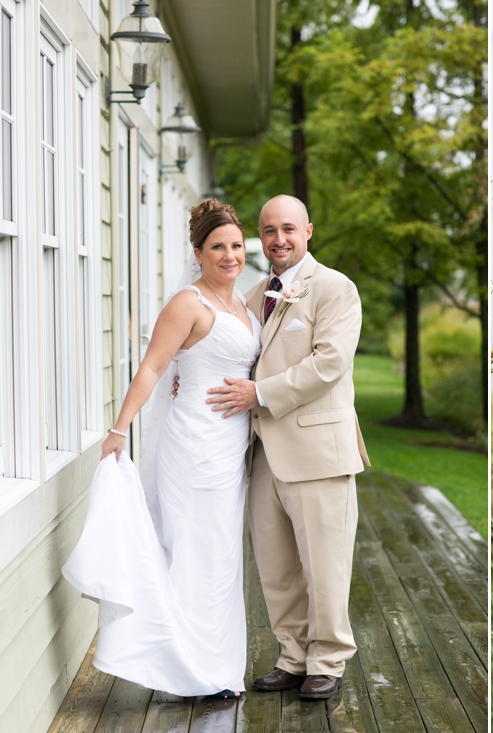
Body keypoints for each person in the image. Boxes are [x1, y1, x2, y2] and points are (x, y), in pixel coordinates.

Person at [62, 200, 260, 698]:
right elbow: (152, 367)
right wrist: (119, 429)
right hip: (193, 444)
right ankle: (189, 669)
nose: (230, 255)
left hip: (229, 445)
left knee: (219, 558)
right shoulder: (188, 304)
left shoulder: (245, 305)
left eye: (236, 245)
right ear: (198, 253)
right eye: (218, 247)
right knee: (194, 553)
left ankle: (216, 666)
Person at [202, 194, 369, 700]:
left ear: (308, 231)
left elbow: (329, 363)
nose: (279, 239)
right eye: (270, 230)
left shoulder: (335, 289)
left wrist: (261, 394)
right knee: (276, 568)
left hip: (318, 450)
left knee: (325, 564)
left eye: (289, 229)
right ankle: (292, 656)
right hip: (261, 454)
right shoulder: (254, 295)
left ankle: (328, 660)